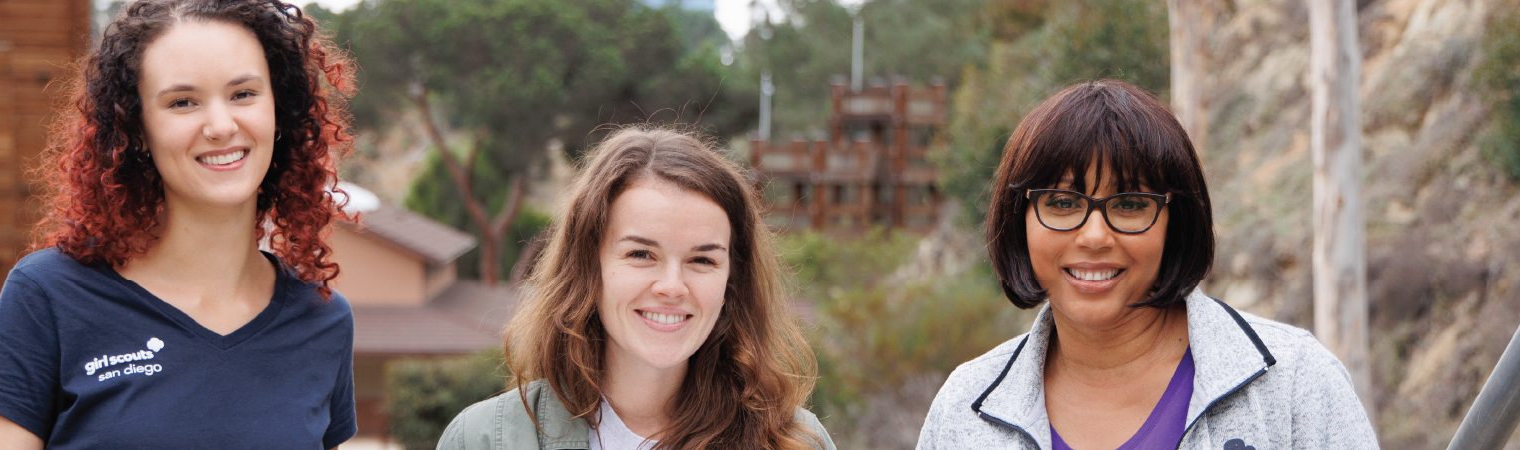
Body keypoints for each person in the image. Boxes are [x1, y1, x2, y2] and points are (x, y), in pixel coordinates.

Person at [0, 0, 358, 448]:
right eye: (182, 102)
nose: (221, 126)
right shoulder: (48, 296)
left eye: (243, 94)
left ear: (279, 111)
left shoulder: (322, 320)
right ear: (139, 131)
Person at [915, 80, 1379, 449]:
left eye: (1131, 204)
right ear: (1020, 220)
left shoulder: (1294, 383)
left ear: (1175, 222)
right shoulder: (965, 409)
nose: (1094, 236)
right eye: (1061, 202)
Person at [438, 127, 837, 450]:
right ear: (589, 267)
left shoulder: (796, 442)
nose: (671, 286)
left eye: (703, 260)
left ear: (732, 281)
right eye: (642, 254)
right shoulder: (484, 440)